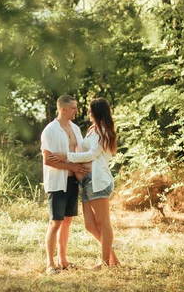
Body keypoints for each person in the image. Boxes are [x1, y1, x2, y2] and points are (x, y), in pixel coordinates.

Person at [46, 97, 120, 269]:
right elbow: (84, 151)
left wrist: (67, 156)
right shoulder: (92, 129)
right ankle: (113, 259)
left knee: (104, 223)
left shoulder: (102, 131)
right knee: (89, 225)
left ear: (97, 112)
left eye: (89, 110)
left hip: (98, 181)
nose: (86, 112)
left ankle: (104, 263)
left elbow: (92, 154)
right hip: (87, 182)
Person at [40, 95, 90, 275]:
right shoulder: (50, 131)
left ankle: (63, 260)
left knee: (67, 221)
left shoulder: (75, 129)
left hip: (72, 181)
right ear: (63, 109)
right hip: (57, 182)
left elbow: (79, 153)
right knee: (55, 222)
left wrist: (77, 169)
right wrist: (73, 166)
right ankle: (50, 264)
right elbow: (48, 160)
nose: (76, 110)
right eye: (74, 108)